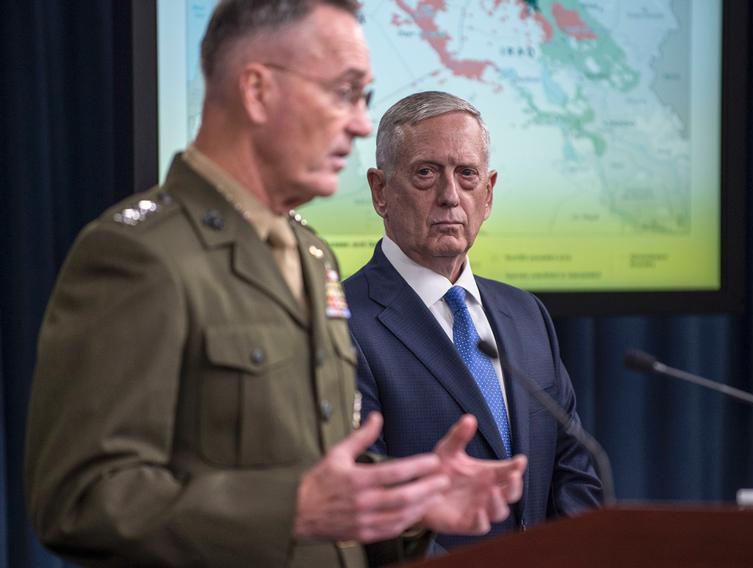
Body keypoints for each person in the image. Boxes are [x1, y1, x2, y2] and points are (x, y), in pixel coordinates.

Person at [24, 3, 525, 567]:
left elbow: (314, 469)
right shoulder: (138, 256)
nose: (360, 124)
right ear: (258, 91)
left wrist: (410, 500)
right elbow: (79, 502)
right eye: (342, 92)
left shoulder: (310, 256)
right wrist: (291, 508)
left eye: (361, 98)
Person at [343, 91, 603, 552]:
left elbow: (571, 468)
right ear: (380, 191)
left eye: (467, 175)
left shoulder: (526, 315)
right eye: (426, 173)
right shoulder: (344, 323)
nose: (450, 196)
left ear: (489, 192)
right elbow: (363, 497)